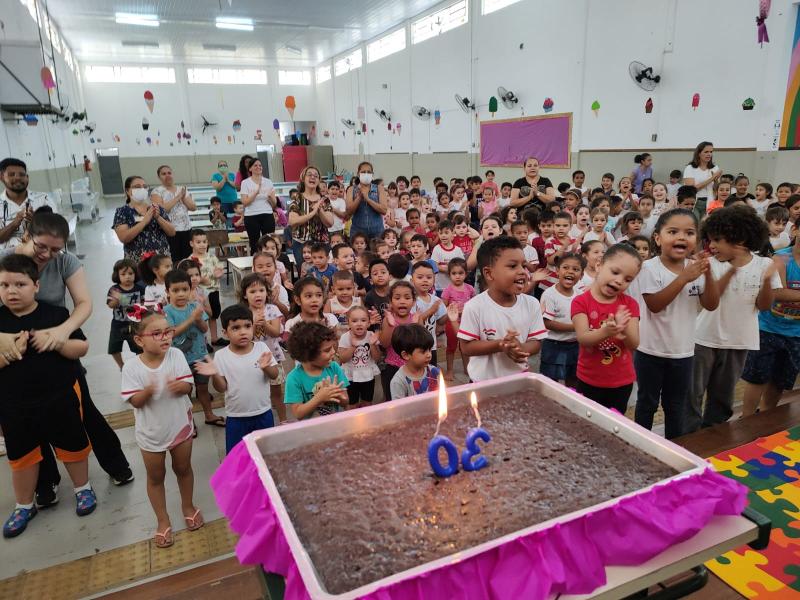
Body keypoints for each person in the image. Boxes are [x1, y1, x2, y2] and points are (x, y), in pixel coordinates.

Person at [1, 212, 134, 506]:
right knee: (29, 423)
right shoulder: (6, 262)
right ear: (27, 236)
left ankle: (116, 464)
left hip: (56, 346)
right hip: (15, 355)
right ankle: (45, 484)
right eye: (41, 247)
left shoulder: (65, 262)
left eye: (56, 249)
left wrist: (62, 332)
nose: (47, 255)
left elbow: (83, 303)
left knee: (83, 409)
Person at [0, 255, 95, 538]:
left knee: (73, 446)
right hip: (13, 404)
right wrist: (9, 353)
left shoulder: (55, 315)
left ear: (37, 286)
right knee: (21, 456)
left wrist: (56, 341)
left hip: (60, 397)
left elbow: (82, 348)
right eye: (4, 285)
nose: (12, 291)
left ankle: (83, 489)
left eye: (20, 284)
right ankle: (24, 504)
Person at [634, 209, 720, 439]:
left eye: (689, 233)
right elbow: (655, 304)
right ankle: (640, 445)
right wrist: (684, 278)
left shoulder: (696, 269)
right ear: (658, 238)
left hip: (683, 353)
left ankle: (675, 448)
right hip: (650, 351)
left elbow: (711, 304)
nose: (681, 237)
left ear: (697, 240)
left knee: (676, 405)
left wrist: (708, 275)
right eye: (673, 231)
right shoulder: (649, 268)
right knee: (647, 403)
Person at [121, 307, 203, 549]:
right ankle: (163, 519)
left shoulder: (176, 355)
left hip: (180, 426)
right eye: (156, 333)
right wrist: (147, 391)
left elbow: (188, 387)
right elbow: (135, 401)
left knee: (183, 468)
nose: (165, 337)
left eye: (167, 331)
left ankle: (187, 506)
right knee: (156, 477)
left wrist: (181, 387)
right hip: (151, 433)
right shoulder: (131, 368)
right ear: (139, 340)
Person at [691, 206, 779, 428]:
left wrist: (767, 281)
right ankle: (688, 436)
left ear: (739, 238)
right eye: (710, 239)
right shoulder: (710, 264)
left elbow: (764, 306)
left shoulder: (764, 264)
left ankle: (713, 436)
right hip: (704, 339)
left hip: (738, 342)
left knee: (722, 397)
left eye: (718, 240)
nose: (711, 246)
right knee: (692, 393)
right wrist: (728, 271)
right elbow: (710, 302)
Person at [458, 237, 547, 381]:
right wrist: (500, 345)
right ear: (489, 273)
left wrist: (520, 347)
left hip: (518, 380)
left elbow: (536, 343)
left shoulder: (532, 304)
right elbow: (467, 347)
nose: (522, 272)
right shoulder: (474, 307)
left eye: (523, 265)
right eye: (512, 266)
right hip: (483, 383)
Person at [195, 305, 278, 453]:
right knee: (237, 457)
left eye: (247, 326)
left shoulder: (261, 349)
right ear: (225, 333)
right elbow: (222, 387)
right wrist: (214, 373)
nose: (243, 332)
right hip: (236, 417)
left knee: (266, 455)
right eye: (235, 328)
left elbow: (274, 375)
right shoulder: (221, 356)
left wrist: (266, 367)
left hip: (263, 413)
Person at [571, 244, 642, 414]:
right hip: (589, 380)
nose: (619, 281)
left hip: (621, 382)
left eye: (628, 279)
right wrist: (606, 332)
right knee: (587, 424)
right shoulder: (581, 302)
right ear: (599, 265)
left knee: (614, 425)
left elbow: (634, 344)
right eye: (615, 272)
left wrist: (623, 328)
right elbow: (583, 337)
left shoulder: (630, 304)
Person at [741, 232, 800, 416]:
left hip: (796, 333)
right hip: (768, 328)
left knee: (779, 381)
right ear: (796, 231)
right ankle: (747, 418)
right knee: (756, 378)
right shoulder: (781, 258)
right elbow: (778, 292)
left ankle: (767, 418)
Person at [162, 270, 222, 429]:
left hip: (200, 355)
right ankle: (188, 420)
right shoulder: (166, 311)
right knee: (185, 392)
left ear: (190, 290)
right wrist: (192, 319)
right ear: (167, 291)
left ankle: (209, 415)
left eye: (184, 289)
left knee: (203, 388)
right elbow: (172, 333)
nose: (181, 294)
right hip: (180, 360)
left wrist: (199, 319)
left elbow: (203, 329)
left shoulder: (195, 306)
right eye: (175, 290)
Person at [284, 321, 349, 419]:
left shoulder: (334, 367)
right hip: (311, 432)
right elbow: (298, 413)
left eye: (332, 347)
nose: (333, 351)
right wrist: (319, 398)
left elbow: (346, 402)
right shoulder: (294, 378)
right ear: (307, 354)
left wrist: (336, 393)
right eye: (327, 350)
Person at [540, 253, 584, 388]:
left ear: (581, 275)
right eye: (566, 267)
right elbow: (547, 323)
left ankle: (571, 405)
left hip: (575, 344)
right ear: (557, 271)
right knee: (550, 382)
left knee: (574, 379)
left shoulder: (580, 294)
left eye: (576, 269)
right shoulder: (549, 294)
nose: (570, 271)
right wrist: (575, 327)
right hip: (554, 345)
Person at [113, 176, 175, 263]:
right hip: (136, 260)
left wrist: (158, 218)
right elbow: (124, 238)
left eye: (144, 186)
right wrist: (144, 221)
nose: (142, 189)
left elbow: (172, 232)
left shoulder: (156, 208)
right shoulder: (122, 211)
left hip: (161, 258)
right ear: (127, 191)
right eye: (137, 187)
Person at [0, 158, 56, 250]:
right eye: (11, 174)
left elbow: (56, 232)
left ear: (27, 177)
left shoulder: (44, 199)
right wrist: (15, 222)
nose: (18, 178)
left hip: (41, 256)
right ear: (1, 177)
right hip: (8, 261)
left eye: (22, 174)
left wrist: (36, 221)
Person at [288, 166, 335, 266]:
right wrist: (312, 213)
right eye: (309, 175)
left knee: (322, 274)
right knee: (305, 274)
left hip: (321, 244)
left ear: (319, 181)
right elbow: (292, 221)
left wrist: (320, 210)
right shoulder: (297, 198)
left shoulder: (324, 200)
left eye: (316, 176)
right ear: (303, 178)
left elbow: (330, 223)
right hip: (301, 244)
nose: (312, 177)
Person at [151, 165, 196, 262]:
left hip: (186, 229)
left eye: (169, 173)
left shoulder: (182, 189)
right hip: (170, 231)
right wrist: (178, 197)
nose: (167, 175)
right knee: (174, 260)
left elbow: (193, 207)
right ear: (159, 177)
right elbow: (161, 210)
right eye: (164, 174)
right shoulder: (157, 191)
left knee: (188, 260)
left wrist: (183, 197)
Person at [338, 305, 380, 408]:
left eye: (363, 320)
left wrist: (372, 345)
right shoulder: (345, 337)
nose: (359, 324)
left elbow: (377, 358)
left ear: (369, 323)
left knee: (367, 403)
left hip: (368, 375)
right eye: (354, 321)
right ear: (348, 323)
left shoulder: (371, 335)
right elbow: (342, 359)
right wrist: (352, 346)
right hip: (350, 376)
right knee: (352, 404)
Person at [107, 258, 144, 370]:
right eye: (123, 274)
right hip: (118, 324)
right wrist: (116, 299)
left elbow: (143, 305)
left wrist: (123, 299)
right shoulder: (114, 289)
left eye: (130, 273)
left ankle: (140, 364)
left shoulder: (139, 289)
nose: (127, 276)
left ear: (135, 274)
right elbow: (110, 305)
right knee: (114, 347)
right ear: (117, 275)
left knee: (139, 347)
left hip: (135, 324)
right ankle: (121, 365)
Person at [188, 229, 224, 346]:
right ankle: (204, 342)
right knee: (202, 317)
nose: (202, 244)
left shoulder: (212, 257)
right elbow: (188, 276)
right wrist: (200, 279)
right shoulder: (190, 260)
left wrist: (219, 273)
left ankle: (214, 338)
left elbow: (219, 268)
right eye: (198, 242)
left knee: (213, 314)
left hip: (213, 290)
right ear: (191, 243)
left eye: (204, 241)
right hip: (199, 293)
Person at [411, 262, 448, 367]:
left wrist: (449, 314)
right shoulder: (411, 300)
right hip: (415, 346)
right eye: (420, 277)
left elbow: (441, 321)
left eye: (429, 277)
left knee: (431, 372)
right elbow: (414, 323)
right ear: (412, 280)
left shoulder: (436, 300)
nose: (425, 280)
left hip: (432, 346)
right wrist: (431, 311)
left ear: (434, 280)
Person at [390, 324, 441, 399]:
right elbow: (399, 409)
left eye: (430, 350)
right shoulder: (398, 382)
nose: (429, 355)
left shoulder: (434, 372)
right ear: (406, 355)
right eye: (423, 352)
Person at [240, 158, 278, 255]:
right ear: (250, 169)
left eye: (260, 165)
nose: (258, 167)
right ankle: (256, 265)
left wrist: (270, 198)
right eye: (255, 165)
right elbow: (245, 202)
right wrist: (256, 193)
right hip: (251, 216)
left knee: (269, 241)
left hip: (267, 214)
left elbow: (274, 204)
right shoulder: (245, 183)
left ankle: (270, 262)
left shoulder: (268, 182)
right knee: (254, 242)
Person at [346, 161, 388, 240]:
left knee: (378, 252)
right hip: (357, 232)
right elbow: (348, 211)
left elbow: (384, 210)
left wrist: (368, 199)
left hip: (377, 231)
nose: (366, 174)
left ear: (372, 174)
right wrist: (359, 198)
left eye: (369, 172)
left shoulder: (379, 188)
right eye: (363, 172)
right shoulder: (351, 189)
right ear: (358, 174)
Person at [683, 141, 721, 218]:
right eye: (706, 152)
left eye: (711, 152)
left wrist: (716, 180)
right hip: (694, 202)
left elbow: (716, 190)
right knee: (695, 225)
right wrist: (712, 178)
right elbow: (691, 190)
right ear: (699, 153)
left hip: (710, 201)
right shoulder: (690, 168)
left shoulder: (715, 168)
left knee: (706, 226)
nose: (709, 154)